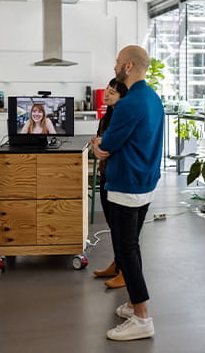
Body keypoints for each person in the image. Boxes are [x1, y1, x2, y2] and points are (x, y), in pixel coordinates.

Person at [92, 45, 164, 341]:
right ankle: (134, 303)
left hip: (126, 185)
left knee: (126, 250)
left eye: (118, 62)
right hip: (144, 182)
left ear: (130, 66)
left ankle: (143, 317)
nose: (115, 67)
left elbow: (107, 146)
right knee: (131, 245)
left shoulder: (129, 103)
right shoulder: (152, 97)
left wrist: (99, 149)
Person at [92, 78, 128, 289]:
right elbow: (101, 143)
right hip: (105, 174)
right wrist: (97, 143)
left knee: (120, 227)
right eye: (107, 90)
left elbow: (108, 146)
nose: (106, 94)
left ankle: (125, 270)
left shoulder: (120, 117)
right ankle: (117, 264)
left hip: (116, 174)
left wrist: (100, 144)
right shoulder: (107, 117)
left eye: (112, 92)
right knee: (112, 224)